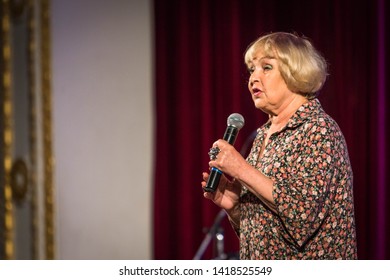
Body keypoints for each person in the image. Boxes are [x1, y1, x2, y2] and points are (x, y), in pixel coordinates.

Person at [201, 32, 357, 259]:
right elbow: (269, 233)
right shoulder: (264, 134)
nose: (253, 77)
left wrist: (241, 169)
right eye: (251, 69)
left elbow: (302, 215)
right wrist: (235, 207)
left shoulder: (318, 129)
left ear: (296, 72)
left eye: (266, 67)